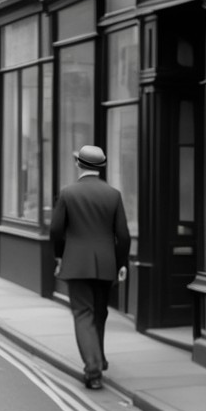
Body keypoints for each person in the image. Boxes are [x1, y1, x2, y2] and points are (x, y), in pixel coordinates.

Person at [49, 145, 130, 390]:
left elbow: (55, 230)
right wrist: (121, 264)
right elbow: (123, 235)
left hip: (77, 264)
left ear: (78, 165)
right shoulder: (113, 194)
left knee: (83, 315)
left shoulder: (68, 193)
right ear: (101, 167)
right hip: (106, 264)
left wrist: (60, 257)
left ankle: (93, 370)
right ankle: (101, 358)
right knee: (100, 313)